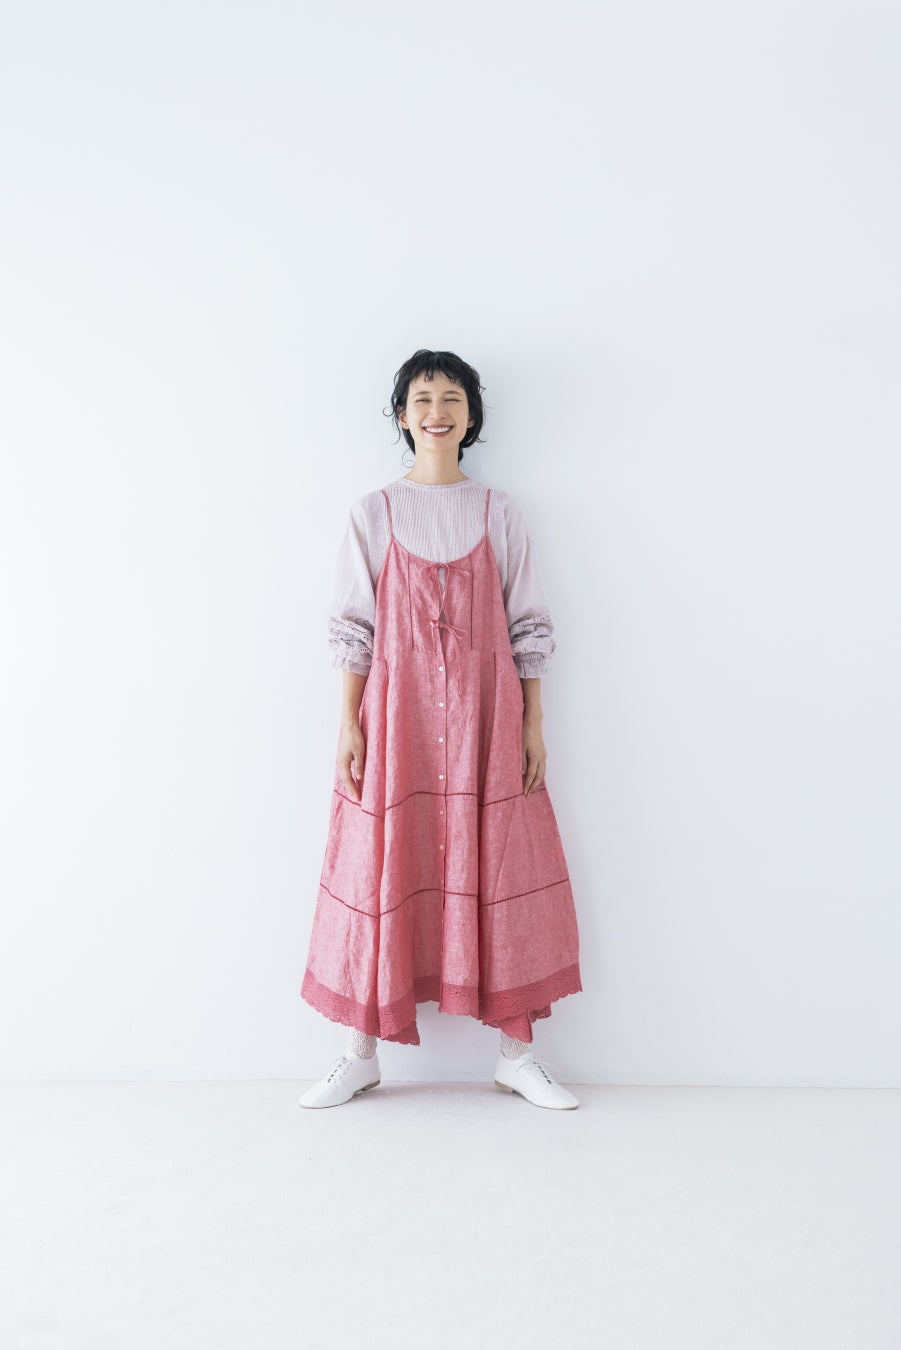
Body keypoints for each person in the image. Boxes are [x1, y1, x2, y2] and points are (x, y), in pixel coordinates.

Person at [299, 349, 582, 1110]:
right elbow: (352, 628)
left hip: (489, 724)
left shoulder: (499, 513)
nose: (437, 411)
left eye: (452, 397)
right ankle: (358, 1053)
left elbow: (528, 623)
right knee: (377, 860)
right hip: (398, 723)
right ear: (402, 415)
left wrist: (533, 722)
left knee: (503, 863)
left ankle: (517, 1054)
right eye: (421, 397)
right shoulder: (373, 514)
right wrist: (349, 724)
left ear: (470, 415)